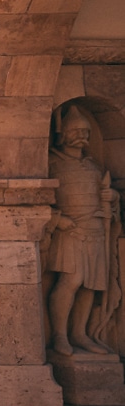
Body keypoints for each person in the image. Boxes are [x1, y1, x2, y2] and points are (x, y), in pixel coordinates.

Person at [45, 107, 121, 355]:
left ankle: (79, 333)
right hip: (70, 231)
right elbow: (39, 199)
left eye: (85, 132)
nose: (82, 136)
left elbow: (106, 197)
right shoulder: (52, 163)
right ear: (63, 134)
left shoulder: (93, 166)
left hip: (96, 229)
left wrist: (113, 196)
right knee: (72, 281)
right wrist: (57, 220)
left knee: (91, 285)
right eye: (76, 131)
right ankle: (59, 336)